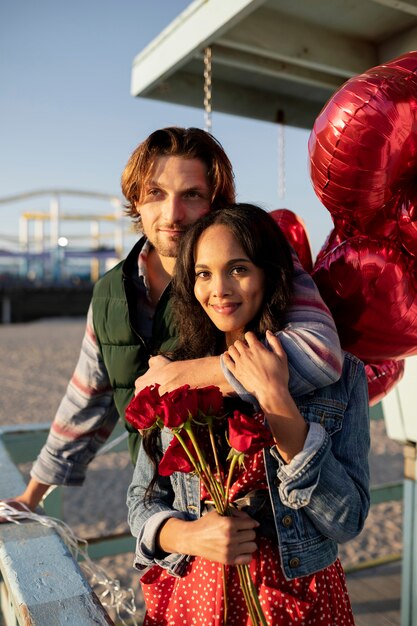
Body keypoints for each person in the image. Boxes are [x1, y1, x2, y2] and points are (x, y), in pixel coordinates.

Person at [1, 127, 342, 516]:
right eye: (156, 194)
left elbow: (323, 353)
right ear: (136, 201)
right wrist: (32, 495)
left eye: (192, 195)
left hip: (241, 507)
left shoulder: (254, 267)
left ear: (216, 201)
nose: (173, 215)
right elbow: (87, 399)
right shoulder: (110, 292)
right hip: (155, 511)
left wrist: (186, 374)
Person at [126, 203, 370, 626]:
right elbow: (142, 500)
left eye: (238, 269)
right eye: (203, 273)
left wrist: (276, 399)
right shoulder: (174, 371)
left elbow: (347, 520)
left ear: (270, 274)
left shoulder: (340, 376)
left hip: (301, 601)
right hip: (196, 598)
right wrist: (187, 534)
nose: (218, 289)